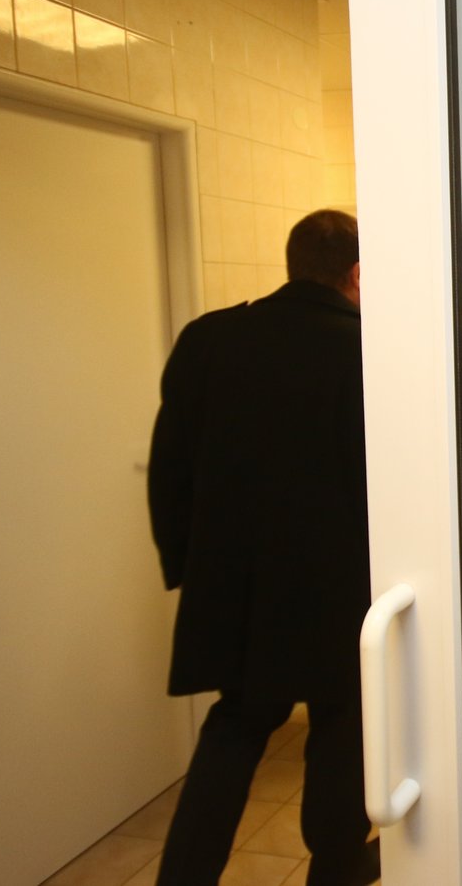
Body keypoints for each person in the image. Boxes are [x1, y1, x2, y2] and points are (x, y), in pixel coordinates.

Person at [147, 209, 377, 886]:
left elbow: (169, 470)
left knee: (235, 727)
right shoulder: (367, 352)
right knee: (341, 726)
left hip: (237, 587)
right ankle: (336, 865)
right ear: (356, 274)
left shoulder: (209, 339)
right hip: (339, 587)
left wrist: (187, 567)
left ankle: (183, 876)